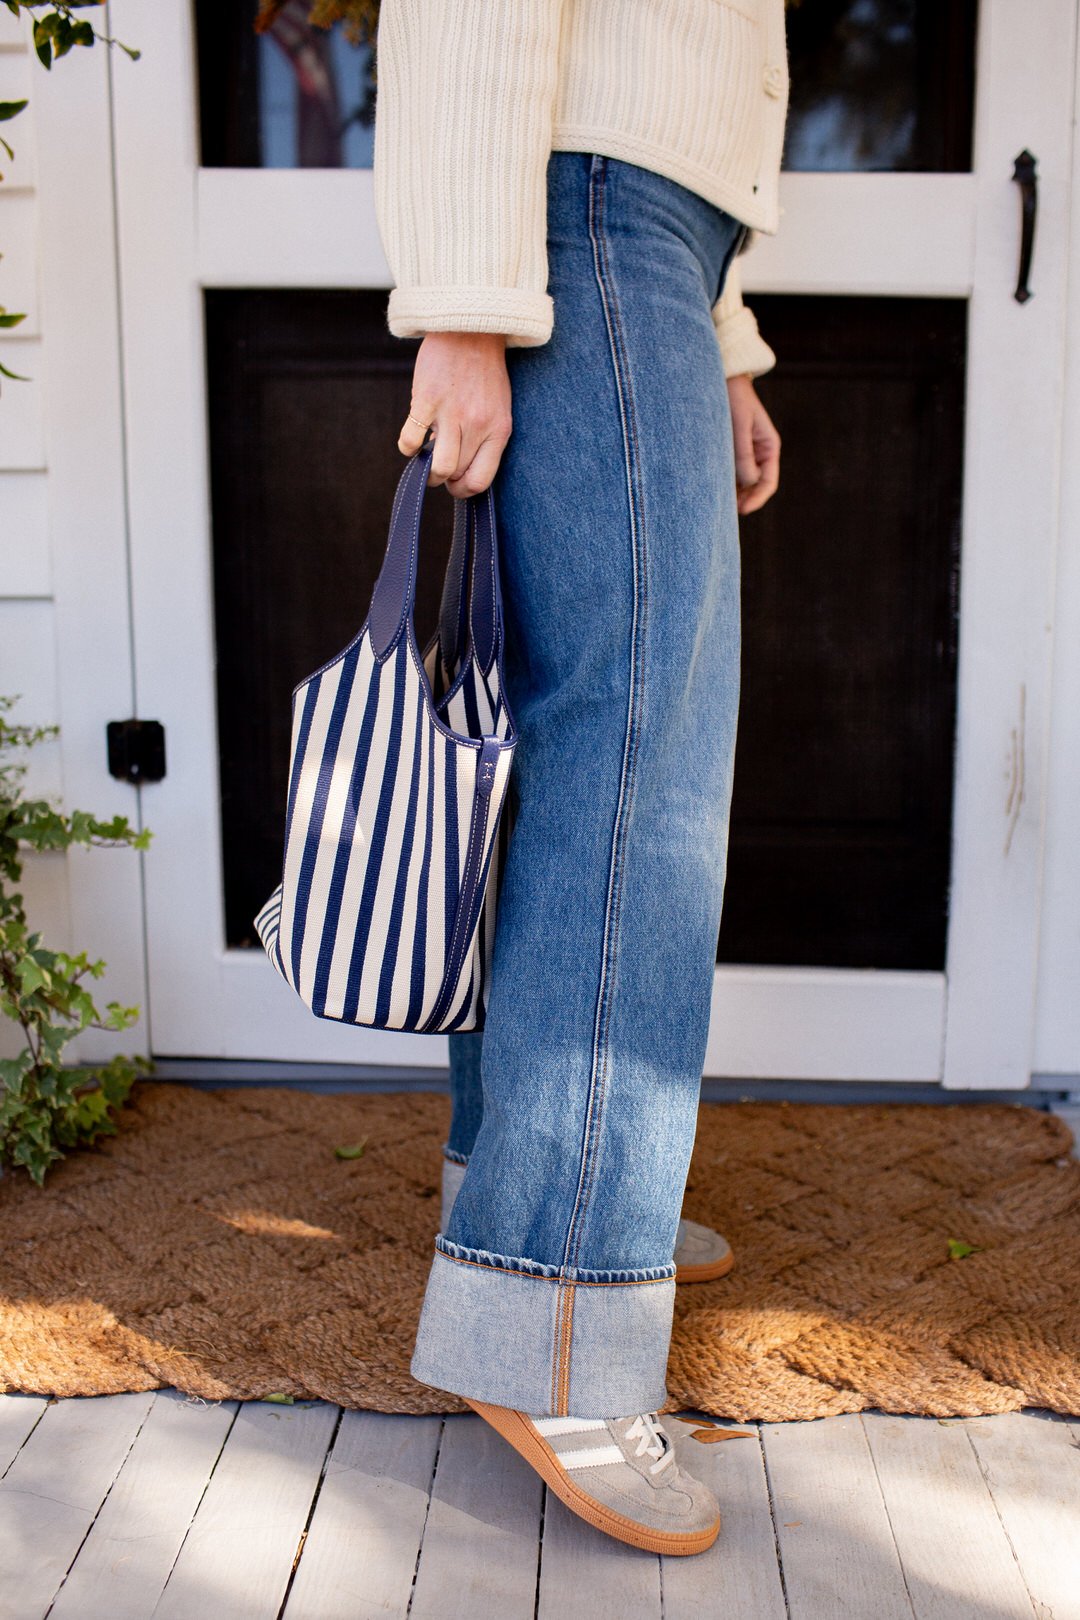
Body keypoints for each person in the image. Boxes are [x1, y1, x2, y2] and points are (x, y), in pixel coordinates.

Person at [372, 0, 787, 1557]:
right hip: (589, 209)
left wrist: (726, 340)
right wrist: (466, 306)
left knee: (586, 752)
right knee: (638, 768)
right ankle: (554, 1307)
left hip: (645, 229)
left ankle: (534, 1180)